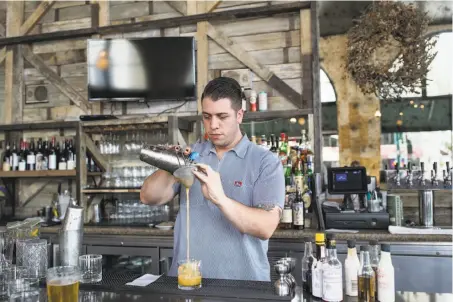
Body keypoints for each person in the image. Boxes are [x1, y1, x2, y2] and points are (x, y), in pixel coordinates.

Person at [140, 77, 285, 281]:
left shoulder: (265, 162)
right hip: (188, 283)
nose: (213, 125)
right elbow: (148, 197)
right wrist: (171, 165)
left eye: (222, 116)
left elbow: (265, 226)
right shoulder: (192, 155)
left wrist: (220, 199)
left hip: (242, 289)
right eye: (207, 117)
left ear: (239, 115)